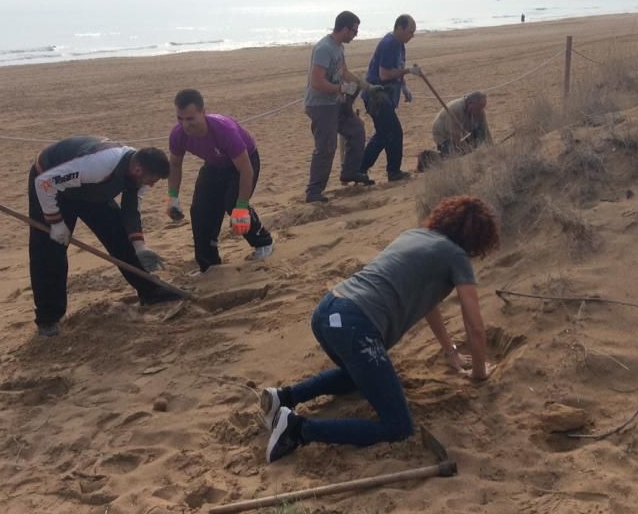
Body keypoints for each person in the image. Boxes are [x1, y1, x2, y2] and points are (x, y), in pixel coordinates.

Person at [261, 195, 500, 463]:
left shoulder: (417, 236)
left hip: (327, 311)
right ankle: (297, 430)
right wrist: (479, 373)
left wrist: (450, 351)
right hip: (355, 325)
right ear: (478, 239)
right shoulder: (456, 257)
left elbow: (428, 305)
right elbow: (475, 325)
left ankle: (285, 397)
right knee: (397, 426)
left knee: (362, 373)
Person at [28, 137, 179, 337]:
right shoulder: (99, 165)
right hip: (51, 183)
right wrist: (55, 222)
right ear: (138, 170)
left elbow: (131, 210)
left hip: (90, 190)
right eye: (151, 180)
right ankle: (48, 318)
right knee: (49, 252)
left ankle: (149, 291)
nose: (151, 185)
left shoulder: (138, 170)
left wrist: (139, 246)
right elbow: (44, 183)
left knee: (120, 237)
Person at [167, 89, 274, 272]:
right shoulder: (178, 135)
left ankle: (263, 242)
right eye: (180, 119)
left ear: (203, 112)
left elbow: (245, 169)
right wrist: (173, 197)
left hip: (245, 161)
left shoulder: (224, 130)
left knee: (233, 204)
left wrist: (241, 207)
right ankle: (208, 264)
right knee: (200, 210)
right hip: (214, 164)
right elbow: (175, 166)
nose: (185, 125)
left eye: (190, 119)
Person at [304, 11, 374, 204]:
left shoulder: (339, 48)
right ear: (344, 29)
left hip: (335, 102)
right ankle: (314, 192)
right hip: (320, 105)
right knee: (326, 147)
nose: (355, 34)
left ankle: (349, 172)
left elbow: (344, 71)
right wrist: (341, 88)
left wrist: (365, 85)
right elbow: (316, 82)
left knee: (356, 129)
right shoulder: (323, 49)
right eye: (354, 30)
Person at [359, 14, 419, 182]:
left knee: (384, 134)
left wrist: (404, 86)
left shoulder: (400, 45)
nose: (412, 36)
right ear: (399, 28)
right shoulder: (390, 43)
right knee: (392, 133)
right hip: (376, 96)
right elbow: (384, 74)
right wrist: (408, 71)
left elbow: (396, 68)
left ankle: (361, 169)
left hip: (387, 97)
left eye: (414, 32)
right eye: (410, 31)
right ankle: (391, 171)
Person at [431, 91, 493, 156]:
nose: (481, 110)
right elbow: (453, 133)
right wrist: (469, 149)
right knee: (454, 155)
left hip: (463, 132)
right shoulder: (455, 109)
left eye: (483, 107)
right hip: (444, 134)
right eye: (479, 107)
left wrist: (491, 147)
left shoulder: (480, 111)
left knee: (480, 132)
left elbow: (485, 130)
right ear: (470, 104)